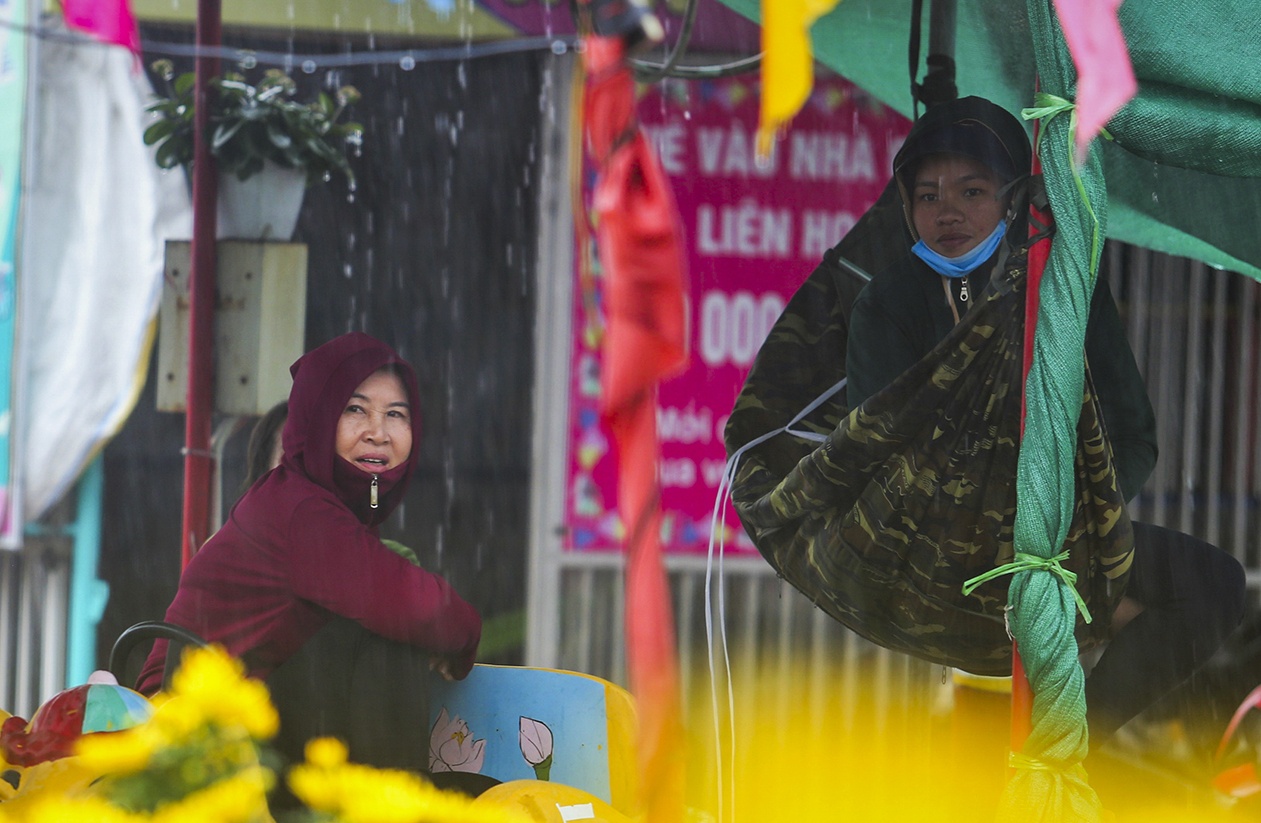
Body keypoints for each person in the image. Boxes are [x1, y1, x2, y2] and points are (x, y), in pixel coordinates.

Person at [844, 96, 1245, 743]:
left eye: (970, 190)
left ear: (1009, 200)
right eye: (926, 194)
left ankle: (1070, 740)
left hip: (1064, 533)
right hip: (941, 549)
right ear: (906, 208)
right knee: (979, 691)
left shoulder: (1060, 279)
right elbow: (878, 459)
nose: (945, 210)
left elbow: (1132, 431)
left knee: (1213, 585)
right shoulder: (885, 306)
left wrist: (1072, 519)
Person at [138, 332, 481, 772]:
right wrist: (463, 634)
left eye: (396, 415)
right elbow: (412, 606)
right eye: (355, 410)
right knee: (391, 632)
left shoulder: (332, 507)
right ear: (317, 419)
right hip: (187, 725)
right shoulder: (300, 508)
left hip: (244, 713)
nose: (378, 433)